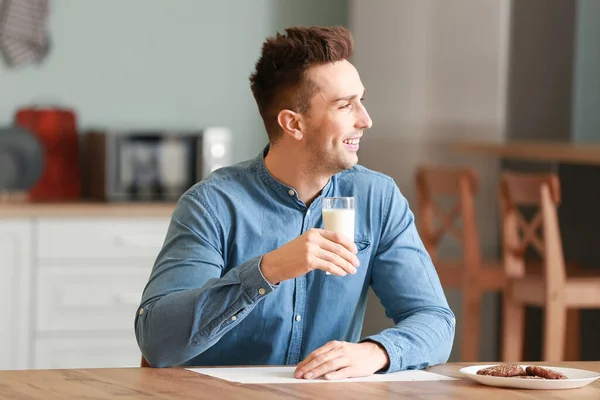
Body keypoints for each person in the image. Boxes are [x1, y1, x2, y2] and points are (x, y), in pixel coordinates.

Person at [135, 25, 455, 380]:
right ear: (293, 123)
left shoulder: (377, 199)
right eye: (345, 105)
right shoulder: (212, 205)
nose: (365, 120)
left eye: (361, 101)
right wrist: (267, 271)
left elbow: (435, 320)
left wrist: (376, 352)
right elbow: (158, 341)